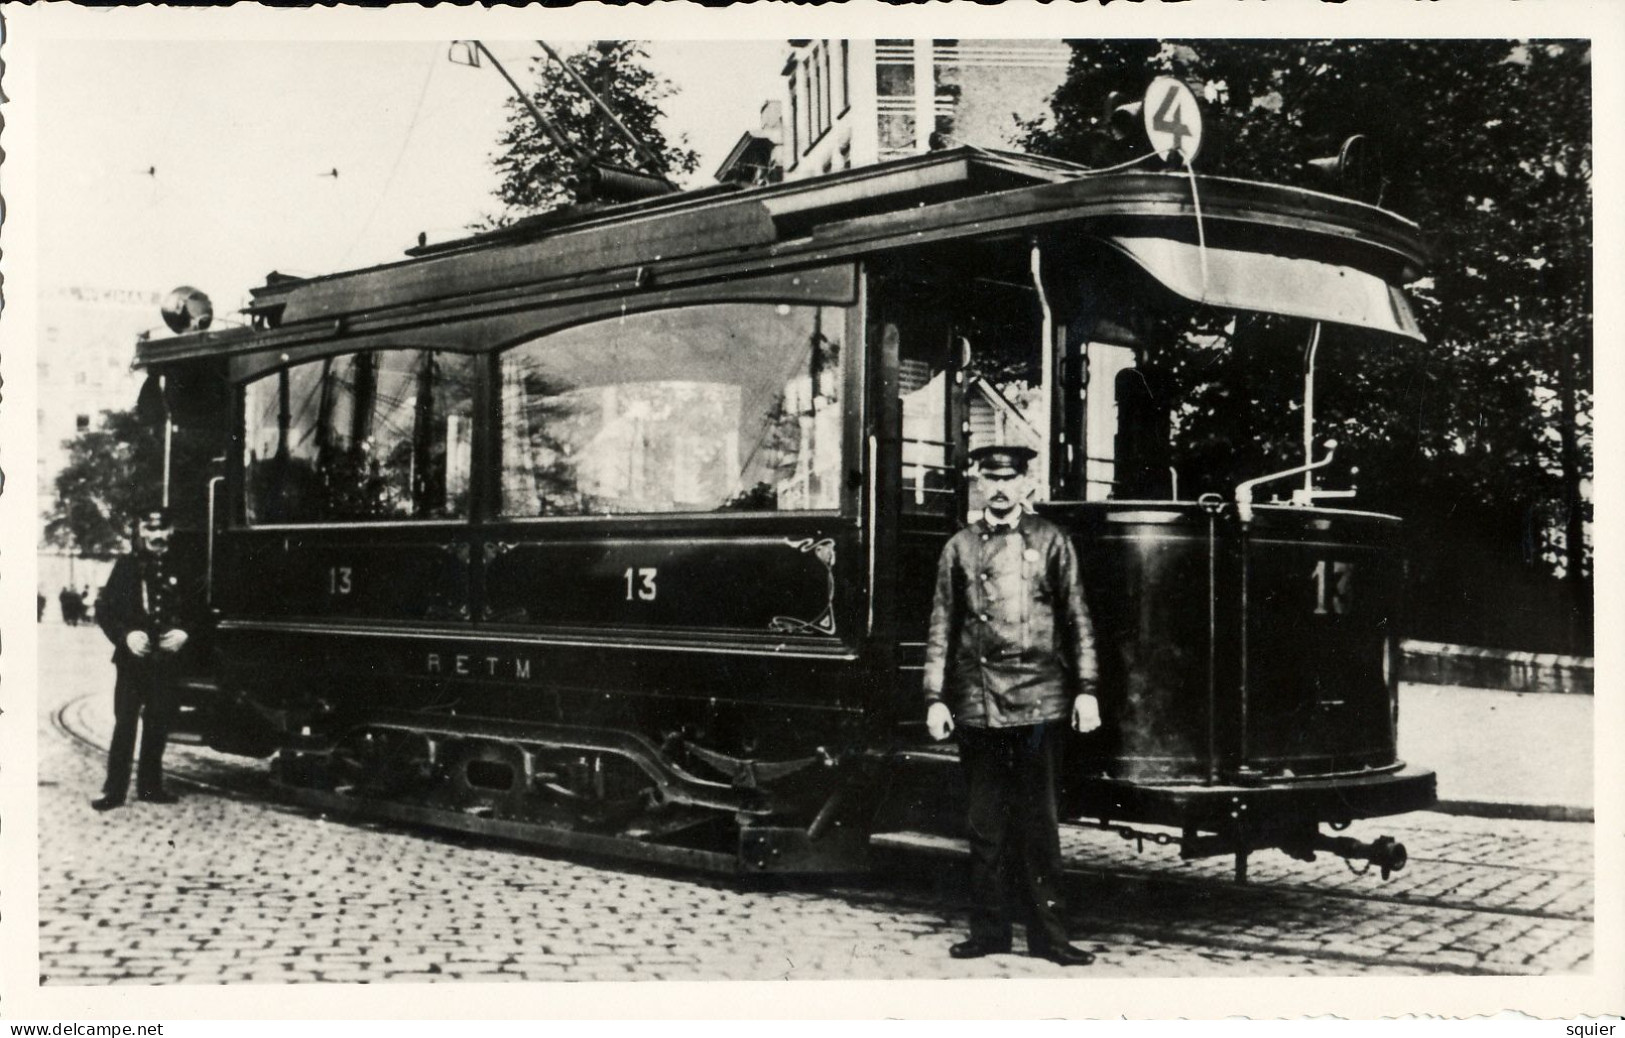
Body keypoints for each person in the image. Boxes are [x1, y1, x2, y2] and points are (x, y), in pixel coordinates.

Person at [922, 444, 1103, 967]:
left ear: (1026, 483)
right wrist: (935, 698)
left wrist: (1087, 689)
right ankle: (989, 933)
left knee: (1039, 827)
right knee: (984, 827)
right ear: (978, 484)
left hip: (1040, 699)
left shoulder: (1052, 541)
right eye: (991, 479)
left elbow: (1078, 619)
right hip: (978, 701)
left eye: (1011, 479)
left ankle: (1051, 938)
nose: (1001, 488)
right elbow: (941, 626)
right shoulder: (959, 547)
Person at [91, 507, 192, 811]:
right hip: (133, 662)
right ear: (142, 532)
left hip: (165, 661)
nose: (157, 536)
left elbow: (200, 607)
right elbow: (105, 610)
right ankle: (114, 790)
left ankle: (150, 787)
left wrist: (186, 633)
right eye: (150, 530)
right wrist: (126, 636)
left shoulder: (185, 566)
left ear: (171, 532)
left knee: (158, 724)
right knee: (125, 725)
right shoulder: (126, 566)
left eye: (162, 530)